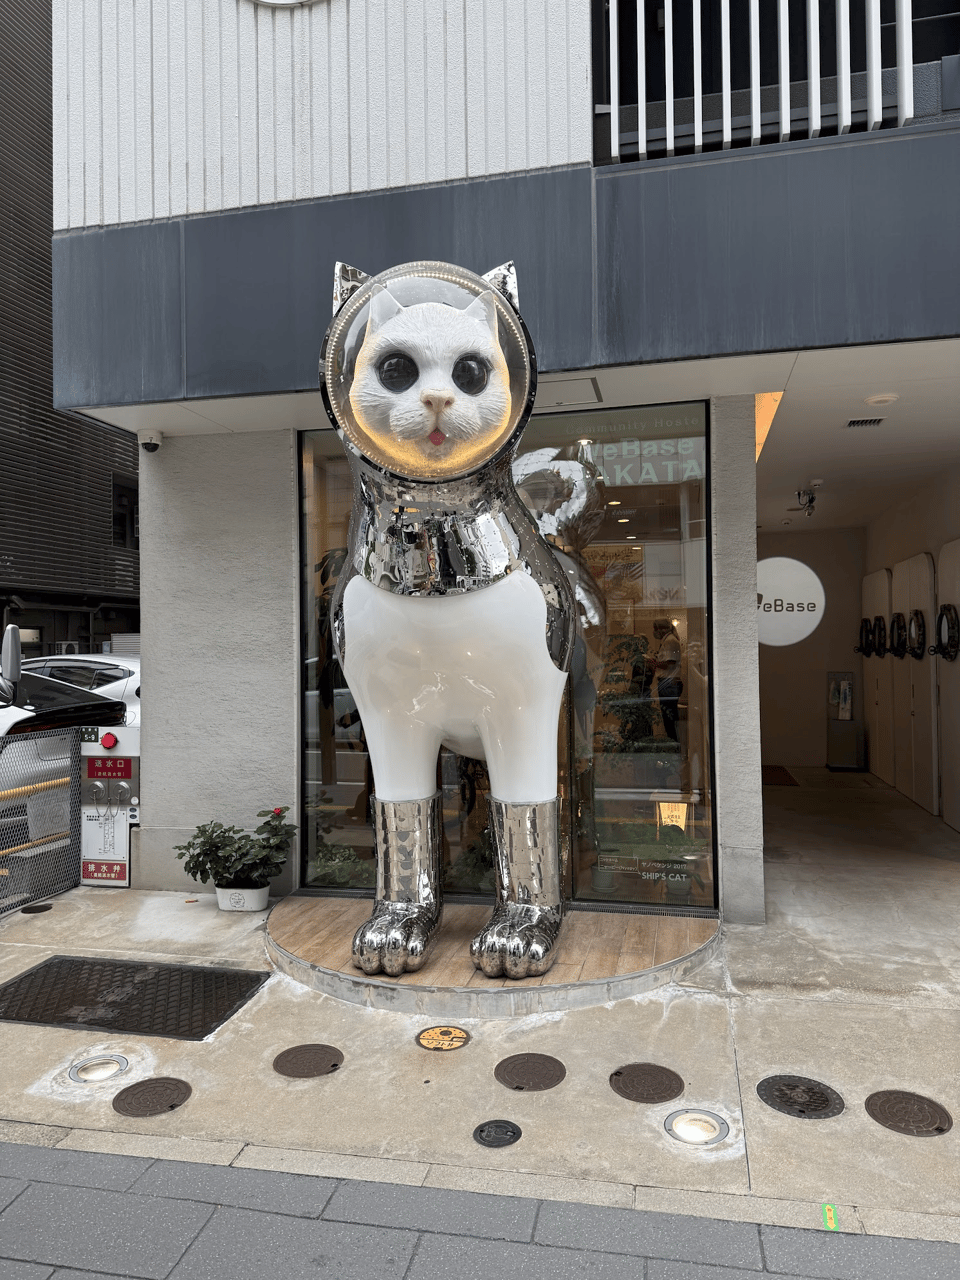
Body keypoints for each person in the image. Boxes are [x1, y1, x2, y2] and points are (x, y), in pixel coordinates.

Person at [653, 619, 683, 742]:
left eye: (656, 629)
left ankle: (673, 746)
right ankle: (672, 746)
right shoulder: (668, 641)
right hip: (668, 684)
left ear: (662, 629)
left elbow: (669, 663)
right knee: (668, 719)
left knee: (669, 719)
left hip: (669, 684)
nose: (655, 632)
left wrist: (653, 663)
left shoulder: (670, 641)